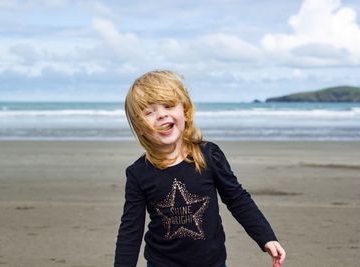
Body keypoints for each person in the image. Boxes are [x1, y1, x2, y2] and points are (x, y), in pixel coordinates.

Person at [114, 70, 286, 267]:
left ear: (185, 111)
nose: (161, 115)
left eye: (169, 105)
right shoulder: (139, 173)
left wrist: (266, 237)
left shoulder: (208, 155)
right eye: (149, 112)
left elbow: (237, 198)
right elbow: (131, 229)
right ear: (140, 126)